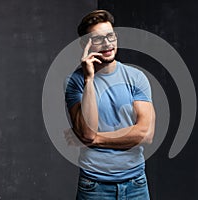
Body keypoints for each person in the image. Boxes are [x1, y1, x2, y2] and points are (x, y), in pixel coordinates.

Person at [65, 10, 155, 200]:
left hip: (136, 184)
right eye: (97, 39)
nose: (107, 43)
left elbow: (145, 134)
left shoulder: (136, 78)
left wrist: (95, 140)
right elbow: (88, 131)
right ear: (85, 44)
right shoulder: (75, 81)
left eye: (110, 36)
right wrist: (89, 79)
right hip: (94, 186)